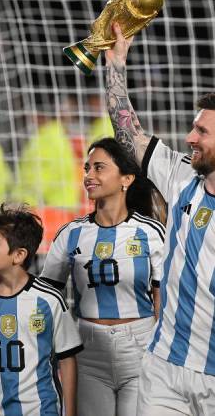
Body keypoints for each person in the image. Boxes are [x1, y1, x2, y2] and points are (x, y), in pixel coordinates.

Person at [105, 22, 215, 415]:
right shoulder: (181, 175)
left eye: (201, 131)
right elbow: (127, 132)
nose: (189, 138)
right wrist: (116, 65)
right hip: (164, 366)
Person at [40, 137, 165, 416]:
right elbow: (45, 296)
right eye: (87, 168)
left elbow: (162, 300)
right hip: (88, 350)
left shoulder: (150, 232)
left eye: (99, 168)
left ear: (126, 179)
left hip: (141, 348)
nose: (88, 176)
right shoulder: (70, 233)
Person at [0, 204, 82, 416]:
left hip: (42, 410)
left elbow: (67, 360)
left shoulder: (49, 300)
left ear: (19, 254)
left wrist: (70, 412)